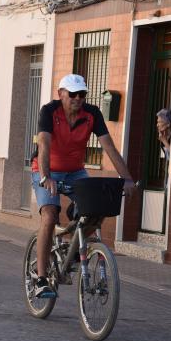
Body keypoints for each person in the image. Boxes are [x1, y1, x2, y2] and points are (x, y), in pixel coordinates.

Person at [31, 74, 136, 298]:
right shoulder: (49, 112)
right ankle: (41, 278)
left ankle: (69, 251)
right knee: (49, 216)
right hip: (46, 169)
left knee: (96, 212)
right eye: (73, 94)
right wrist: (46, 176)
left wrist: (126, 178)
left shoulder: (92, 113)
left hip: (75, 171)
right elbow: (44, 144)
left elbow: (109, 148)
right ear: (61, 94)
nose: (78, 98)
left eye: (82, 94)